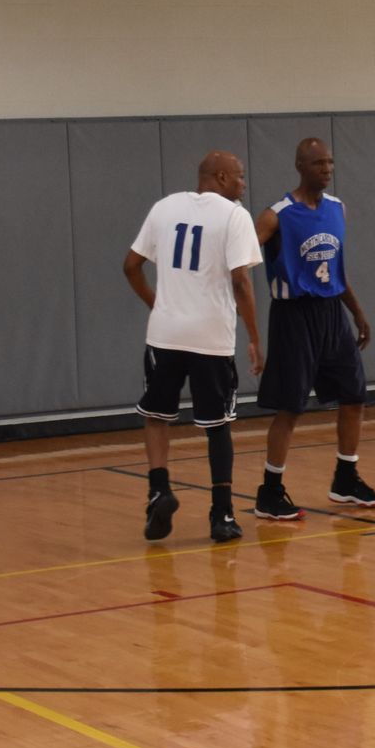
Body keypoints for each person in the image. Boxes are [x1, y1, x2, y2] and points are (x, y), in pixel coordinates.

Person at [123, 150, 264, 544]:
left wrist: (158, 305)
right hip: (211, 337)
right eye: (239, 176)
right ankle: (222, 514)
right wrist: (255, 337)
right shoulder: (234, 216)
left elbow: (130, 266)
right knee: (217, 426)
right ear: (220, 177)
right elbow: (241, 281)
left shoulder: (164, 207)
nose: (244, 184)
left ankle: (159, 490)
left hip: (165, 334)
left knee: (156, 416)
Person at [252, 137, 375, 516]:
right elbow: (241, 257)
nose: (326, 169)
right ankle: (270, 492)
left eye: (329, 162)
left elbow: (337, 268)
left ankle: (345, 479)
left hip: (332, 312)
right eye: (318, 163)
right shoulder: (276, 214)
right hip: (293, 316)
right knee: (291, 406)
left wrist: (356, 312)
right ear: (300, 166)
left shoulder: (338, 209)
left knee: (354, 395)